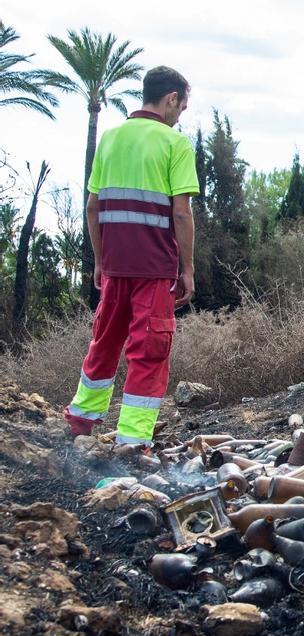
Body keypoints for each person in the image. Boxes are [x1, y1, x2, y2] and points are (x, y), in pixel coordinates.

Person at [63, 66, 198, 446]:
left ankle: (80, 422)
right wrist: (187, 269)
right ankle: (132, 440)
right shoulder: (175, 144)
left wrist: (101, 261)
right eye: (182, 107)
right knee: (149, 352)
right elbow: (182, 212)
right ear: (171, 99)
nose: (179, 116)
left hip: (116, 267)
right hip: (155, 269)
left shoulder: (109, 138)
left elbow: (92, 207)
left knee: (103, 342)